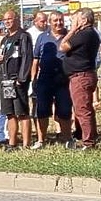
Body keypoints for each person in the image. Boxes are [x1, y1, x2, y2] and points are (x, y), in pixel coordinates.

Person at [30, 11, 72, 149]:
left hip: (63, 79)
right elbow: (36, 59)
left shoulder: (69, 36)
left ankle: (67, 139)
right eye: (55, 20)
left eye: (61, 20)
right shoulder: (42, 37)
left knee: (65, 111)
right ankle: (41, 140)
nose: (59, 23)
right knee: (42, 111)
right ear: (50, 22)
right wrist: (33, 79)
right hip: (45, 78)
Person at [60, 8, 100, 150]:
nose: (72, 22)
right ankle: (91, 137)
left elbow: (63, 46)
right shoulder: (91, 33)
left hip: (81, 76)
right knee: (85, 108)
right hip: (83, 75)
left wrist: (72, 30)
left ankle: (88, 142)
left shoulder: (84, 34)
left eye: (74, 19)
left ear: (83, 19)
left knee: (82, 110)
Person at [0, 10, 33, 151]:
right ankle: (12, 143)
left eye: (10, 19)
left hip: (17, 81)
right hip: (5, 81)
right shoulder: (5, 39)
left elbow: (27, 57)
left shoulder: (23, 36)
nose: (7, 22)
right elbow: (4, 57)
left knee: (22, 113)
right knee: (9, 113)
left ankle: (26, 144)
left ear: (17, 19)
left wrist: (21, 79)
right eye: (5, 19)